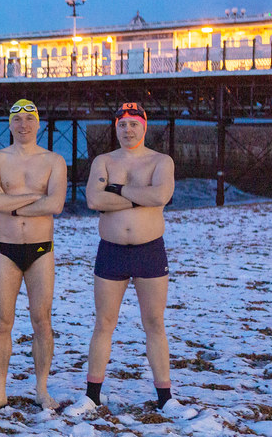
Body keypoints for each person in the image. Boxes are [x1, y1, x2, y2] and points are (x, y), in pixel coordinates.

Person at [68, 102, 195, 419]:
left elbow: (160, 197)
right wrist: (140, 193)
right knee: (103, 323)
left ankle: (165, 397)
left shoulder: (160, 161)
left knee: (154, 323)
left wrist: (118, 189)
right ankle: (92, 396)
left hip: (149, 250)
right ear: (116, 128)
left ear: (144, 126)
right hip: (111, 251)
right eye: (122, 124)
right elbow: (94, 199)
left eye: (133, 124)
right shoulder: (104, 160)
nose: (128, 130)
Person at [0, 99, 67, 411]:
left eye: (29, 120)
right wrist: (35, 198)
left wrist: (12, 203)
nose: (23, 125)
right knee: (2, 321)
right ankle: (0, 391)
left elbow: (56, 205)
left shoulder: (53, 161)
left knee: (41, 320)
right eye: (17, 120)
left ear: (38, 124)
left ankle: (42, 389)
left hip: (41, 249)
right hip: (4, 250)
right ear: (9, 124)